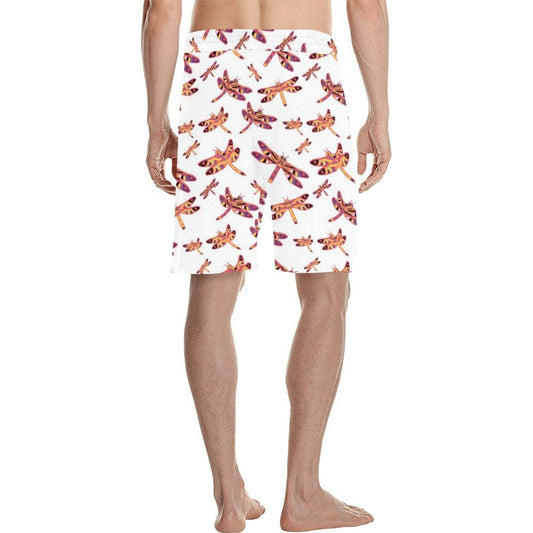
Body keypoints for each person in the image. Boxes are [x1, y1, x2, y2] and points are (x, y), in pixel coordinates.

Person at [142, 0, 390, 531]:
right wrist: (380, 114)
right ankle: (302, 494)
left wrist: (156, 121)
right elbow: (366, 6)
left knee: (211, 291)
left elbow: (161, 11)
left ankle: (228, 496)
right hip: (305, 68)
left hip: (214, 68)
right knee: (326, 288)